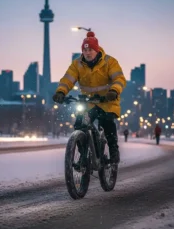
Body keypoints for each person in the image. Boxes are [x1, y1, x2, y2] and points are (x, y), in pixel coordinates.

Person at [52, 31, 126, 164]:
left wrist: (114, 91)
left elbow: (119, 79)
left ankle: (114, 150)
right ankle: (84, 155)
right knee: (79, 125)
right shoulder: (77, 64)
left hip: (107, 101)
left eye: (90, 49)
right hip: (88, 102)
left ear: (97, 50)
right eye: (85, 50)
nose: (87, 52)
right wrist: (61, 92)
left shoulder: (110, 62)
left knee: (106, 122)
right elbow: (67, 79)